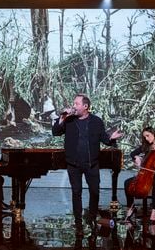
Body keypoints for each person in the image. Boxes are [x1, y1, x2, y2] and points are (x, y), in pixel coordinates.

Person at [52, 94, 123, 236]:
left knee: (94, 192)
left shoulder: (96, 121)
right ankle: (78, 223)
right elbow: (55, 132)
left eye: (76, 104)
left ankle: (91, 219)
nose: (74, 106)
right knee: (76, 193)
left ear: (85, 107)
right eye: (74, 103)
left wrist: (111, 138)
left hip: (92, 164)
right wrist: (61, 119)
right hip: (74, 164)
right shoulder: (69, 120)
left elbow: (104, 139)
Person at [123, 126, 155, 224]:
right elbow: (132, 153)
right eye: (145, 137)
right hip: (148, 174)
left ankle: (154, 211)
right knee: (127, 183)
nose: (146, 138)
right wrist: (136, 158)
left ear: (153, 133)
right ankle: (130, 206)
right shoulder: (146, 146)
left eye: (148, 136)